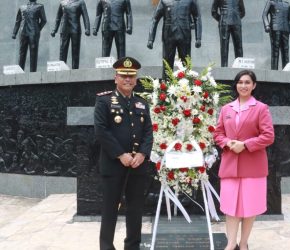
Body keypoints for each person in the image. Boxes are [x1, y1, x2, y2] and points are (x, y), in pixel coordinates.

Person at [94, 56, 153, 250]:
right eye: (123, 75)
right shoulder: (104, 101)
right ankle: (106, 246)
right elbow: (101, 131)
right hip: (113, 166)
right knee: (110, 209)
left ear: (136, 79)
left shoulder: (142, 103)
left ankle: (132, 246)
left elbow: (148, 133)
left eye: (131, 76)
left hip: (138, 165)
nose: (128, 79)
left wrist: (142, 155)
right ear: (116, 78)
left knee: (135, 210)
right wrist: (121, 154)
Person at [213, 70, 275, 250]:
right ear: (236, 85)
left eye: (248, 82)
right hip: (230, 166)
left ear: (254, 85)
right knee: (230, 207)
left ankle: (244, 243)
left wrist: (245, 145)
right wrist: (227, 142)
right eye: (240, 82)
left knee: (249, 207)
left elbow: (268, 136)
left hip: (253, 168)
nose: (244, 85)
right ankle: (231, 244)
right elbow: (218, 133)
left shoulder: (261, 108)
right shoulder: (226, 109)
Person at [147, 0, 202, 78]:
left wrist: (198, 38)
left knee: (185, 64)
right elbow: (155, 19)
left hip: (185, 36)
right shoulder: (164, 1)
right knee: (167, 65)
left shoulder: (190, 1)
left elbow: (197, 17)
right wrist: (151, 39)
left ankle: (186, 88)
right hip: (168, 37)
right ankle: (165, 87)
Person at [51, 0, 90, 69]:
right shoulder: (62, 3)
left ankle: (75, 70)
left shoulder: (80, 2)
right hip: (64, 29)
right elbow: (58, 17)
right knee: (62, 50)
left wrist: (87, 28)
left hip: (75, 29)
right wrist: (54, 30)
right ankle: (61, 69)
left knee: (75, 51)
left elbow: (85, 16)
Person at [12, 0, 47, 72]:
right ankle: (20, 71)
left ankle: (33, 72)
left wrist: (37, 29)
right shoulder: (22, 7)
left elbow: (44, 20)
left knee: (33, 52)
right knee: (22, 52)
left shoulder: (39, 6)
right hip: (23, 32)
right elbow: (18, 21)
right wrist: (14, 33)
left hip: (33, 32)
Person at [211, 0, 245, 67]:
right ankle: (224, 66)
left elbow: (243, 12)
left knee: (239, 46)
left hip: (236, 23)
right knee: (224, 46)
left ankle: (240, 66)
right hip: (224, 22)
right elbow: (213, 11)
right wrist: (221, 19)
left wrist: (236, 17)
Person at [262, 0, 290, 70]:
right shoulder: (271, 2)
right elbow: (264, 14)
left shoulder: (287, 4)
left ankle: (286, 70)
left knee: (285, 51)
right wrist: (267, 25)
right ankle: (274, 70)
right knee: (275, 51)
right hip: (275, 29)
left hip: (285, 29)